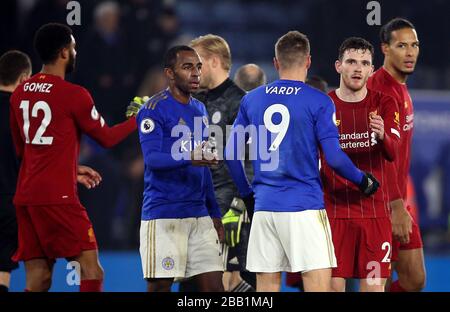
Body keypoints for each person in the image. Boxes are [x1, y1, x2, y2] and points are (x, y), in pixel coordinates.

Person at [225, 31, 380, 292]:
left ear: (275, 63)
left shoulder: (251, 100)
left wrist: (248, 195)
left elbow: (231, 154)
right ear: (308, 61)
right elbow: (334, 158)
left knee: (266, 289)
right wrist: (363, 180)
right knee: (318, 286)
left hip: (265, 209)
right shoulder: (319, 100)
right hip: (304, 208)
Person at [9, 23, 136, 292]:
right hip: (58, 198)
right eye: (74, 47)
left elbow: (24, 151)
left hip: (27, 196)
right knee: (91, 270)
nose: (76, 52)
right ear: (65, 52)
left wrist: (70, 168)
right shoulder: (74, 95)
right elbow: (108, 138)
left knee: (38, 278)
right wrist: (141, 118)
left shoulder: (19, 94)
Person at [0, 50, 103, 292]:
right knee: (86, 269)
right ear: (25, 79)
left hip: (19, 202)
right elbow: (32, 157)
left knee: (31, 277)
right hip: (18, 202)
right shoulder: (23, 112)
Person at [135, 45, 224, 292]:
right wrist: (190, 157)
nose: (195, 73)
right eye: (187, 67)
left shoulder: (200, 109)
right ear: (170, 73)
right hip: (164, 215)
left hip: (199, 215)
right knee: (160, 289)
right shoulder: (152, 109)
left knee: (216, 290)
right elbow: (152, 159)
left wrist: (214, 212)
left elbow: (203, 165)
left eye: (197, 67)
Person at [324, 37, 400, 292]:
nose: (357, 68)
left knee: (373, 289)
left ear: (371, 69)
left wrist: (383, 136)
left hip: (374, 216)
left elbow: (393, 152)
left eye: (364, 63)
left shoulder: (385, 103)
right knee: (333, 289)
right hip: (334, 215)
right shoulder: (324, 105)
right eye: (351, 62)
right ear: (338, 66)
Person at [189, 34, 255, 292]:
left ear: (214, 61)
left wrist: (240, 204)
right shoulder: (196, 103)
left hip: (229, 208)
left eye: (197, 64)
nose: (193, 71)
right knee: (194, 286)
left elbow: (251, 156)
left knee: (232, 285)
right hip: (198, 206)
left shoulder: (241, 102)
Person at [367, 17, 426, 292]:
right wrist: (394, 204)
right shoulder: (378, 90)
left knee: (414, 280)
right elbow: (376, 153)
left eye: (414, 45)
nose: (410, 52)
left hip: (398, 200)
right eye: (402, 45)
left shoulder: (399, 86)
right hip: (382, 205)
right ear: (385, 49)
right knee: (377, 282)